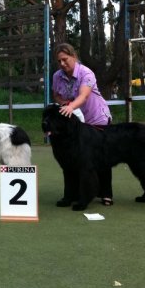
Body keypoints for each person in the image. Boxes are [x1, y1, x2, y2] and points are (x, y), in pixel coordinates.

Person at [52, 43, 113, 205]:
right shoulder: (57, 76)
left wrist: (71, 106)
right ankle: (78, 193)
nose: (62, 64)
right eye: (59, 61)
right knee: (78, 158)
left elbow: (84, 96)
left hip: (96, 118)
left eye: (65, 59)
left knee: (101, 157)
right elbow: (56, 95)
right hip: (76, 124)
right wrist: (63, 102)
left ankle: (106, 194)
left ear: (74, 57)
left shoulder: (86, 73)